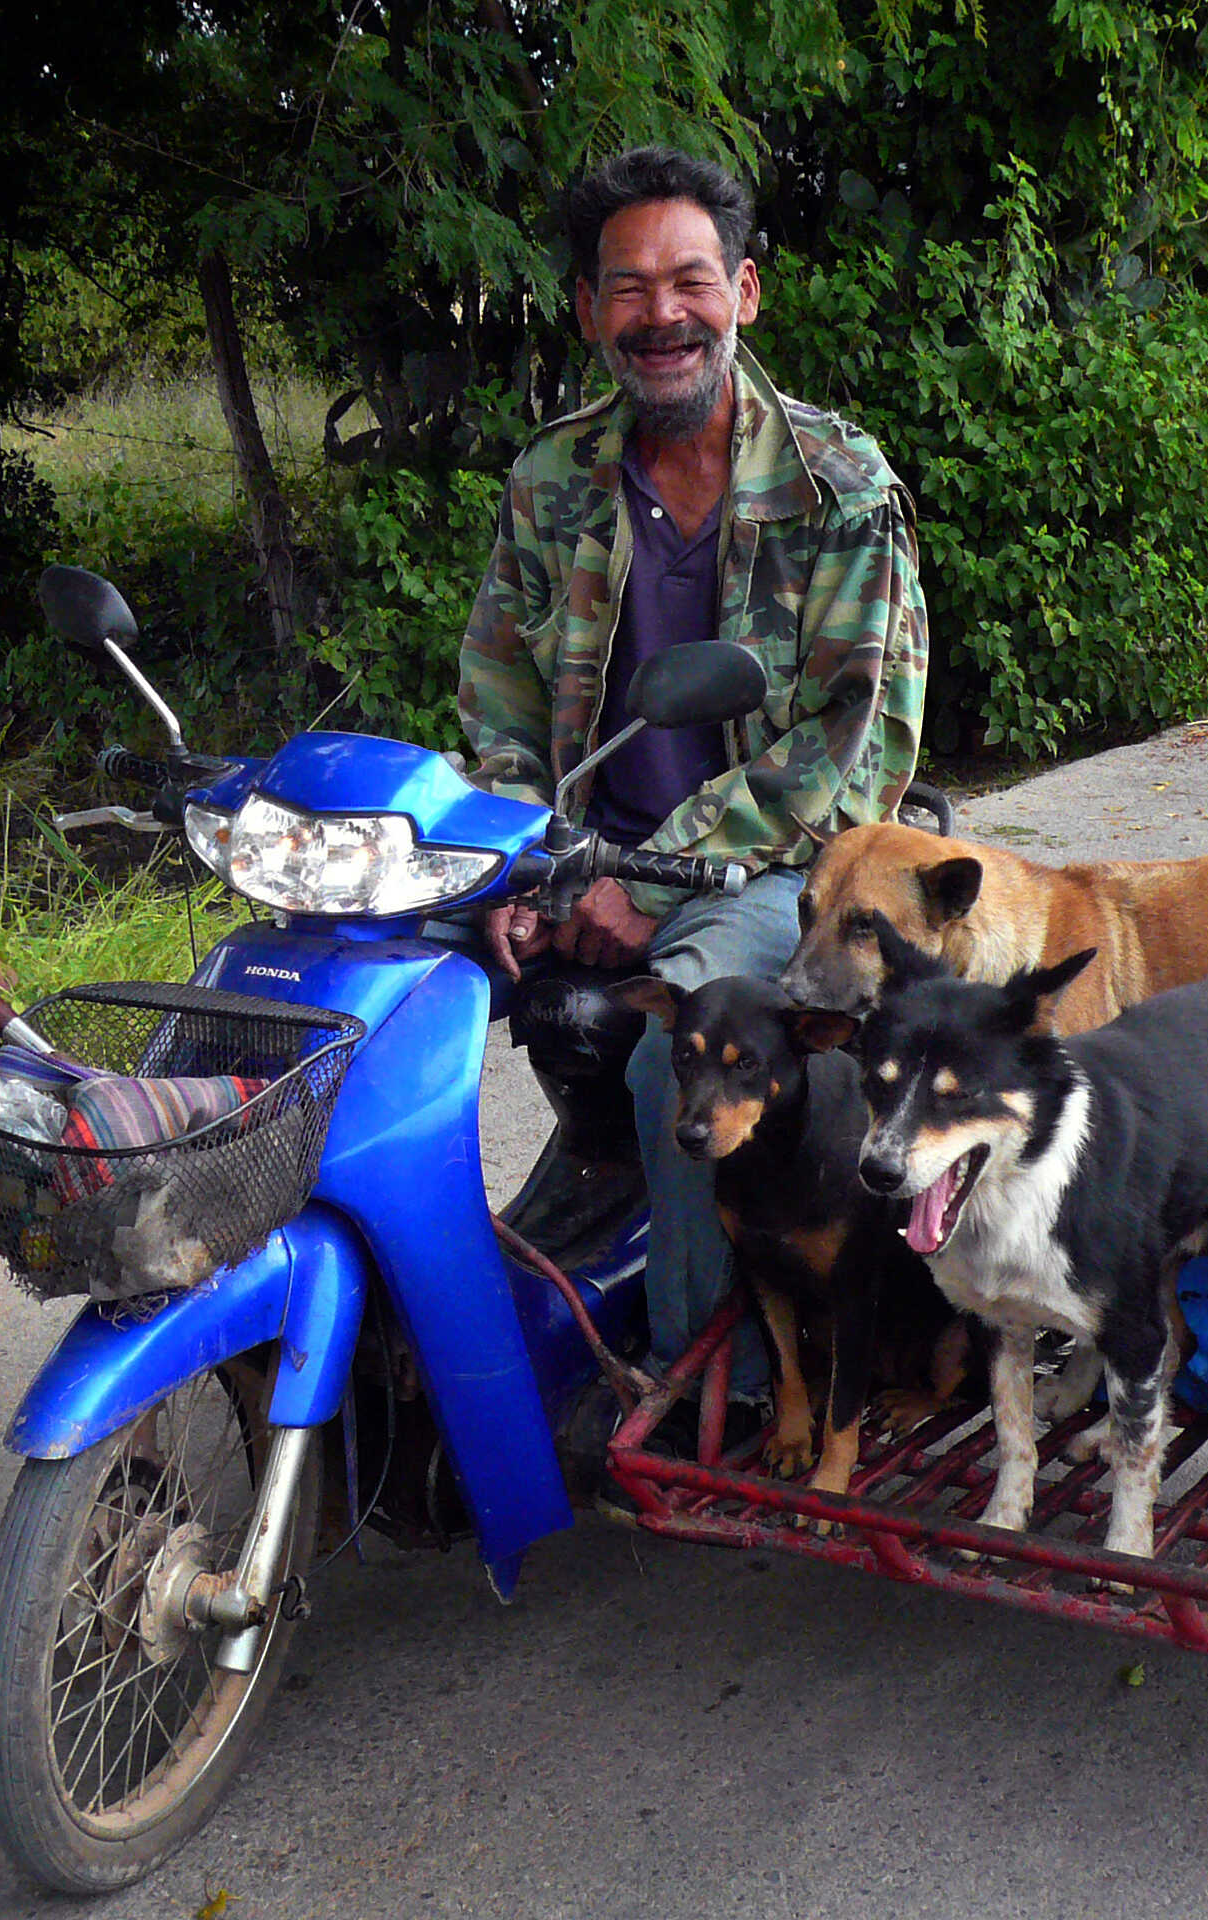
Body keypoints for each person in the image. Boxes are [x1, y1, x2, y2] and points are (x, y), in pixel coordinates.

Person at [457, 145, 929, 1385]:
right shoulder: (550, 476)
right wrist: (513, 864)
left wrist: (646, 881)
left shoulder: (840, 488)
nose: (660, 315)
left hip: (773, 871)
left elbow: (852, 746)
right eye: (627, 287)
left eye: (688, 281)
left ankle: (704, 1385)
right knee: (368, 999)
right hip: (582, 860)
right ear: (587, 309)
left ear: (744, 293)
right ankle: (426, 1332)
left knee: (685, 1056)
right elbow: (499, 701)